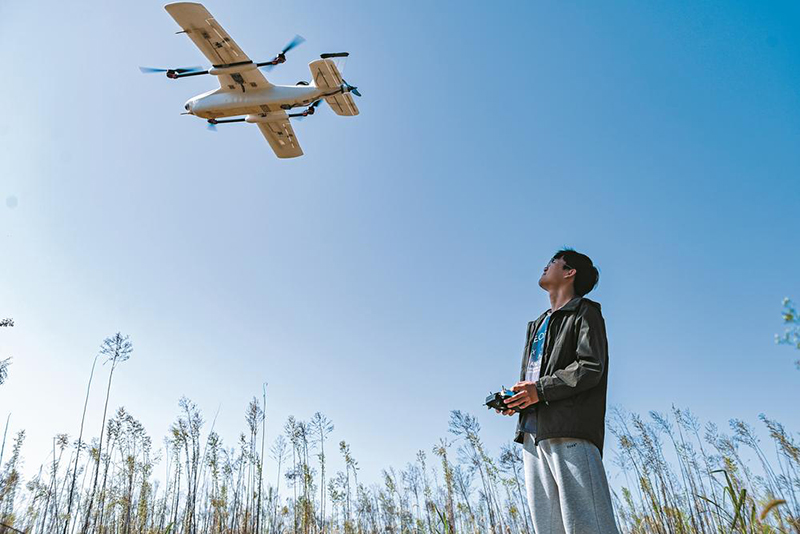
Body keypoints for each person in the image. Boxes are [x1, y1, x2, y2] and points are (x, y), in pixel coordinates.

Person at [497, 249, 619, 534]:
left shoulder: (585, 312)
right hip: (533, 434)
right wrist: (517, 402)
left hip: (570, 430)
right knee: (548, 528)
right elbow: (534, 378)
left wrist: (539, 390)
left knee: (589, 525)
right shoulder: (537, 325)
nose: (546, 265)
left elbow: (590, 367)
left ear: (569, 272)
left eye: (553, 261)